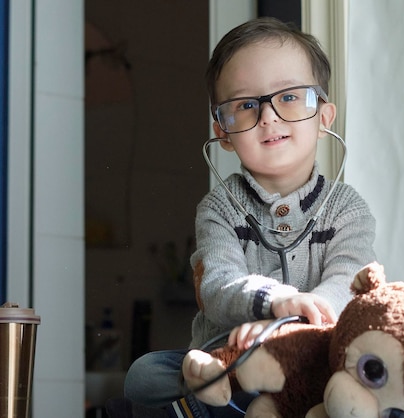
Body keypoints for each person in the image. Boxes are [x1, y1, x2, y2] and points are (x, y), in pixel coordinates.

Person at [121, 16, 377, 418]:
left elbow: (349, 281)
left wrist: (297, 325)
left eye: (289, 96)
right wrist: (275, 302)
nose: (269, 116)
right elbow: (220, 286)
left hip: (312, 362)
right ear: (223, 133)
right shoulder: (219, 208)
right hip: (232, 365)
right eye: (245, 105)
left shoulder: (347, 208)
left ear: (324, 118)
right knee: (145, 375)